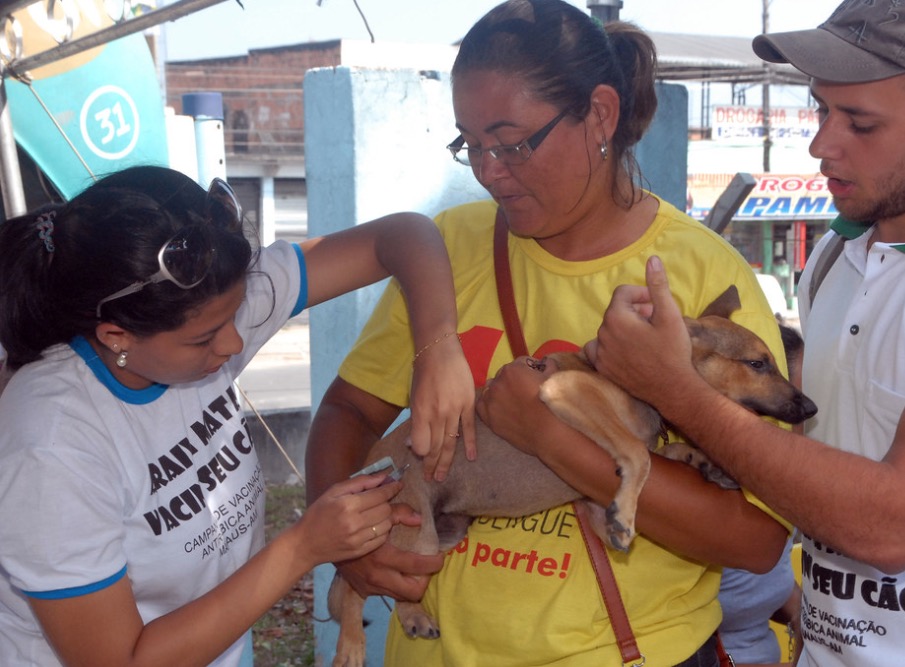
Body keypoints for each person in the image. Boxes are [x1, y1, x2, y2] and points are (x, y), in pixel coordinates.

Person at [305, 1, 790, 664]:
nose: (487, 168)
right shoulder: (447, 252)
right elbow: (348, 408)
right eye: (469, 144)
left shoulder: (698, 281)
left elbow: (756, 537)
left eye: (510, 142)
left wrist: (554, 439)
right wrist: (342, 537)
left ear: (599, 114)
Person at [0, 165, 474, 667]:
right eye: (205, 338)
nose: (233, 343)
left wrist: (438, 350)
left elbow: (402, 236)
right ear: (116, 336)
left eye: (235, 315)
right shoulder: (50, 446)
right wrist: (303, 547)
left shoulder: (204, 302)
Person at [587, 2, 905, 665]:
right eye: (820, 110)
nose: (820, 144)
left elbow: (889, 523)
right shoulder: (828, 261)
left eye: (860, 123)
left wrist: (678, 391)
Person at [717, 324, 804, 667]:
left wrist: (802, 613)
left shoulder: (772, 485)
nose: (809, 411)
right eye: (792, 401)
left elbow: (758, 585)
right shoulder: (710, 488)